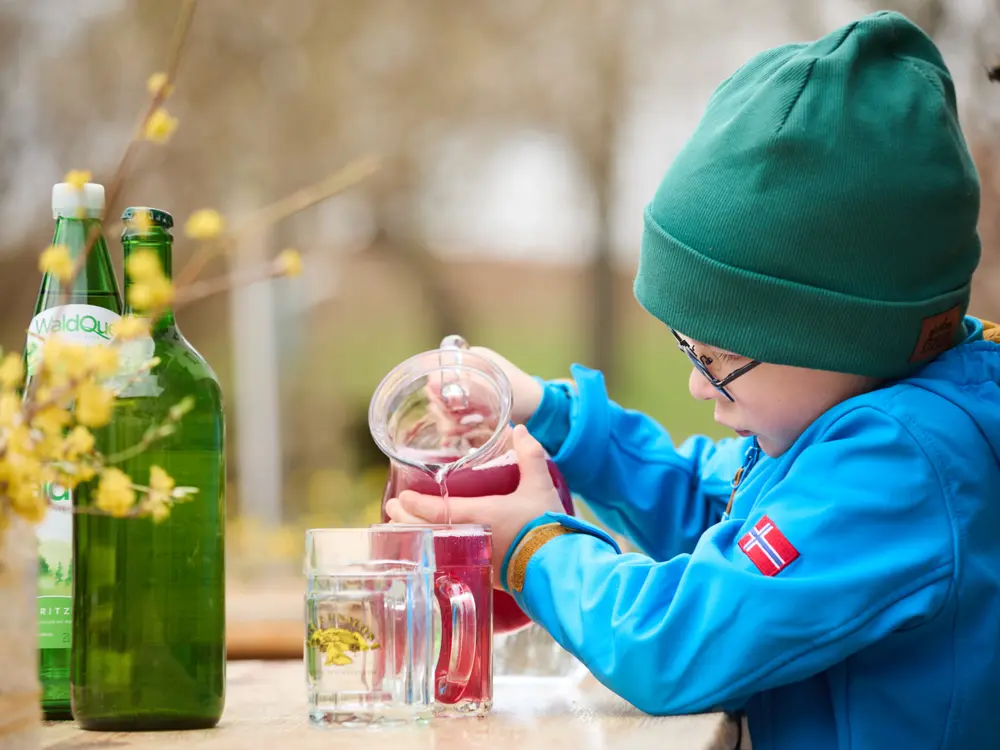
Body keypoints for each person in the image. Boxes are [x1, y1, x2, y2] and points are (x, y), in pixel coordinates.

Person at [385, 10, 1000, 750]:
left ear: (841, 333)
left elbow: (674, 641)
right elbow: (719, 504)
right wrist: (550, 413)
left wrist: (531, 545)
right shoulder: (855, 419)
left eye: (716, 358)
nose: (697, 386)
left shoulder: (905, 466)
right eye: (687, 349)